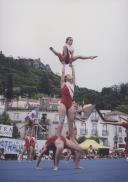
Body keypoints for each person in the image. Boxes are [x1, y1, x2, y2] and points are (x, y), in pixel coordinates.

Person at [56, 63, 76, 142]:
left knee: (71, 122)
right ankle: (58, 137)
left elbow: (74, 75)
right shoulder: (63, 83)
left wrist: (72, 67)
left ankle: (72, 138)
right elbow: (63, 73)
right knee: (61, 121)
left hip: (70, 104)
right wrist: (64, 64)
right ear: (66, 78)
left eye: (70, 75)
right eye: (68, 75)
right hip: (63, 103)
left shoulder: (72, 84)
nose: (70, 75)